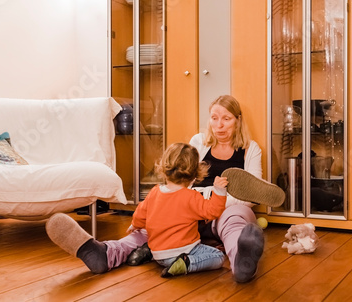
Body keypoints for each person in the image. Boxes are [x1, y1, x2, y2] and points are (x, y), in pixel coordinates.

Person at [45, 95, 284, 282]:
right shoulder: (199, 142)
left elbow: (251, 196)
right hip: (188, 208)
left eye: (226, 119)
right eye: (214, 118)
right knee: (154, 222)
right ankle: (104, 253)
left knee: (237, 222)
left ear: (238, 120)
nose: (219, 125)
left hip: (225, 210)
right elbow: (179, 182)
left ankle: (241, 262)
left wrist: (214, 200)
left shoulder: (250, 149)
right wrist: (172, 205)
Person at [128, 142, 228, 277]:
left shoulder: (154, 192)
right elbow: (212, 211)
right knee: (218, 256)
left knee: (160, 248)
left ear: (164, 167)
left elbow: (140, 214)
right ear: (194, 174)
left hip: (159, 253)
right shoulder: (191, 196)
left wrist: (134, 225)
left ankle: (148, 253)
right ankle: (187, 263)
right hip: (184, 250)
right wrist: (219, 191)